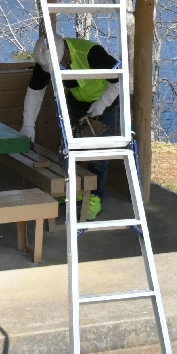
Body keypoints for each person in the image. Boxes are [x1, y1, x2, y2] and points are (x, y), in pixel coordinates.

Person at [21, 33, 121, 220]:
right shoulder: (46, 59)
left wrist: (102, 103)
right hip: (76, 102)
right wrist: (28, 125)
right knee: (66, 146)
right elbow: (35, 91)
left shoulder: (91, 53)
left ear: (65, 53)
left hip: (104, 102)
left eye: (61, 65)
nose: (60, 69)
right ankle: (70, 188)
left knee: (98, 151)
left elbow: (118, 79)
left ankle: (95, 196)